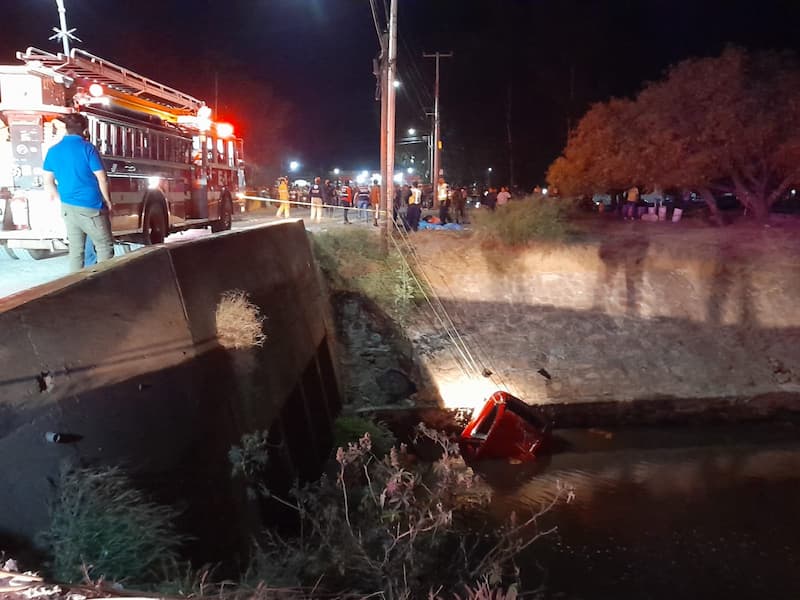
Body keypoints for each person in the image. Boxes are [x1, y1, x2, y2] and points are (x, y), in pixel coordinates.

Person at [42, 112, 114, 273]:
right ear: (84, 129)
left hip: (68, 208)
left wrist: (63, 198)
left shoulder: (53, 150)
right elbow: (102, 178)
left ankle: (73, 287)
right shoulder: (87, 148)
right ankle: (105, 285)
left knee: (76, 251)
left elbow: (48, 181)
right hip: (91, 207)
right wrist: (107, 200)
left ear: (66, 129)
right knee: (104, 246)